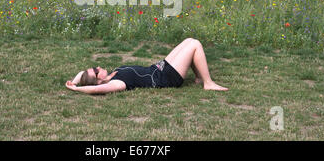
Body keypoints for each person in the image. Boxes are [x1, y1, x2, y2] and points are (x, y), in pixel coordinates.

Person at [65, 38, 228, 94]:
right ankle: (208, 83)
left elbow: (82, 74)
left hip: (159, 68)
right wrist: (77, 89)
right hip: (166, 78)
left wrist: (74, 81)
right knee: (195, 45)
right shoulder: (117, 84)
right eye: (95, 71)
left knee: (189, 40)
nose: (98, 67)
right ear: (99, 81)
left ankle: (199, 78)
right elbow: (94, 89)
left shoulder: (111, 75)